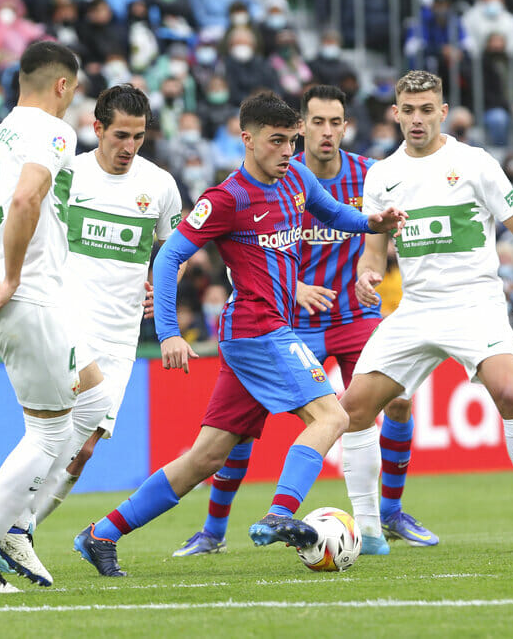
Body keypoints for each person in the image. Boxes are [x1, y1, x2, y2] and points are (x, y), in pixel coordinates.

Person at [73, 92, 407, 577]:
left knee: (206, 456)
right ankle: (279, 513)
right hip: (259, 330)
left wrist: (369, 222)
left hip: (264, 333)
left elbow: (333, 213)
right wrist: (169, 331)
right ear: (246, 139)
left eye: (293, 141)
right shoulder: (226, 199)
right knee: (333, 415)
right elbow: (168, 258)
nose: (289, 151)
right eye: (278, 142)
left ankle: (102, 533)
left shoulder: (296, 178)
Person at [173, 85, 437, 557]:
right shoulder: (264, 183)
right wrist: (292, 289)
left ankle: (387, 515)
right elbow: (247, 255)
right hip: (291, 320)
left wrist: (367, 269)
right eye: (317, 122)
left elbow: (371, 230)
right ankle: (215, 528)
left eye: (337, 122)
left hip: (354, 314)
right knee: (245, 425)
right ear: (302, 125)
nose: (327, 132)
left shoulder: (366, 175)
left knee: (396, 403)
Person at [339, 70, 513, 554]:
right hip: (416, 309)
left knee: (509, 392)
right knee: (351, 411)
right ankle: (370, 530)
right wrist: (366, 275)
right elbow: (374, 250)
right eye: (408, 110)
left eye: (426, 109)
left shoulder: (475, 163)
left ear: (442, 111)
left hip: (474, 303)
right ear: (395, 113)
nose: (417, 119)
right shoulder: (382, 176)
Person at [0, 40, 105, 594]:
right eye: (75, 90)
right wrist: (8, 279)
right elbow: (25, 202)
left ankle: (15, 523)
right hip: (30, 294)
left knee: (94, 394)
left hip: (17, 295)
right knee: (48, 432)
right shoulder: (52, 131)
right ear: (62, 85)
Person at [8, 84, 182, 532]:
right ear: (97, 128)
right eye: (121, 135)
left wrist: (161, 285)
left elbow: (175, 252)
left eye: (138, 136)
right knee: (50, 436)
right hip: (66, 325)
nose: (129, 147)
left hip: (121, 337)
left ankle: (19, 531)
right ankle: (11, 533)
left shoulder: (160, 185)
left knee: (83, 449)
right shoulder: (69, 174)